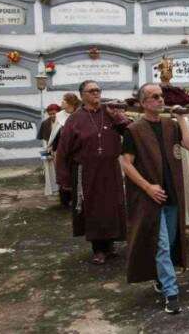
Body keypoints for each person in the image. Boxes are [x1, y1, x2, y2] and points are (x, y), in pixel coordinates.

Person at [121, 83, 189, 315]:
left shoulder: (170, 125)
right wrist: (147, 187)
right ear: (143, 103)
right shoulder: (134, 130)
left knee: (170, 242)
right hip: (150, 197)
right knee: (161, 245)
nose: (160, 100)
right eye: (154, 97)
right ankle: (171, 293)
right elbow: (125, 163)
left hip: (172, 194)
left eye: (161, 96)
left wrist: (181, 118)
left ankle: (160, 278)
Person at [56, 80, 130, 265]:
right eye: (91, 91)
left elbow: (130, 132)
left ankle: (110, 245)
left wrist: (119, 117)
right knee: (94, 210)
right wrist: (63, 179)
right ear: (82, 95)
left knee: (113, 207)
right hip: (87, 172)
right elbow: (63, 151)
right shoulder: (75, 119)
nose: (96, 93)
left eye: (98, 90)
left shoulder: (110, 112)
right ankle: (98, 249)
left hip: (110, 170)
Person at [48, 93, 82, 207]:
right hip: (62, 150)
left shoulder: (80, 115)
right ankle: (65, 201)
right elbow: (55, 133)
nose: (61, 102)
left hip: (76, 151)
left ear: (70, 103)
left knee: (76, 175)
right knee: (63, 173)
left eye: (64, 100)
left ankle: (77, 199)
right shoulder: (59, 115)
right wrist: (53, 149)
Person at [37, 104, 60, 196]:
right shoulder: (45, 123)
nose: (52, 116)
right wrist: (47, 150)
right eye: (50, 114)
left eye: (54, 113)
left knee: (60, 170)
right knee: (50, 170)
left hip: (60, 150)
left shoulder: (62, 122)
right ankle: (53, 189)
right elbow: (44, 139)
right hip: (48, 149)